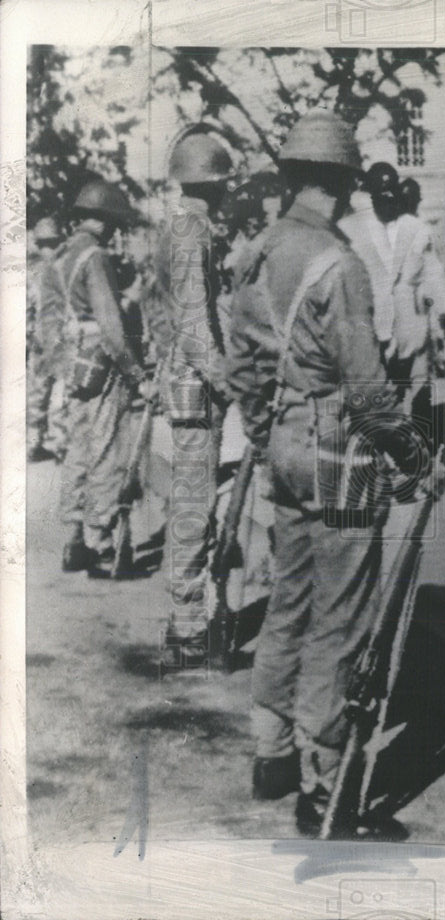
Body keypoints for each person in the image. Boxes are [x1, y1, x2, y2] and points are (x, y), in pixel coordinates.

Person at [228, 109, 404, 837]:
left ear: (292, 176)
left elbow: (243, 364)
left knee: (288, 601)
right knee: (341, 620)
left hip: (284, 443)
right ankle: (324, 785)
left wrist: (271, 435)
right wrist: (412, 454)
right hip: (341, 448)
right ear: (345, 182)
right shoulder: (343, 265)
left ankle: (269, 750)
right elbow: (365, 389)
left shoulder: (256, 251)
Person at [152, 129, 236, 668]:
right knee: (193, 502)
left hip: (192, 383)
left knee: (195, 498)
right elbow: (192, 323)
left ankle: (187, 617)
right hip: (195, 385)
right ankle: (185, 624)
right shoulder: (189, 230)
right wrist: (228, 379)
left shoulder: (188, 225)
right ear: (213, 181)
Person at [48, 180, 148, 572]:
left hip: (71, 365)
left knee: (77, 449)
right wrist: (136, 371)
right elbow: (110, 325)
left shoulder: (59, 256)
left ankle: (73, 539)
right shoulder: (95, 257)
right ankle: (102, 544)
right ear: (106, 221)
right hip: (101, 365)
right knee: (105, 450)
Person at [340, 162, 445, 435]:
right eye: (381, 192)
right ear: (370, 194)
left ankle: (417, 443)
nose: (389, 197)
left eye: (392, 190)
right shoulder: (349, 230)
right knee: (377, 392)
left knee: (419, 387)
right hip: (369, 326)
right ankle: (378, 445)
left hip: (411, 326)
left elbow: (433, 274)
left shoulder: (416, 228)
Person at [27, 217, 65, 462]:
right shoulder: (63, 268)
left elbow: (27, 309)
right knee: (60, 392)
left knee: (38, 393)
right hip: (59, 337)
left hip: (40, 338)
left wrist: (29, 334)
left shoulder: (31, 272)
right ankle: (62, 445)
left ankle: (33, 442)